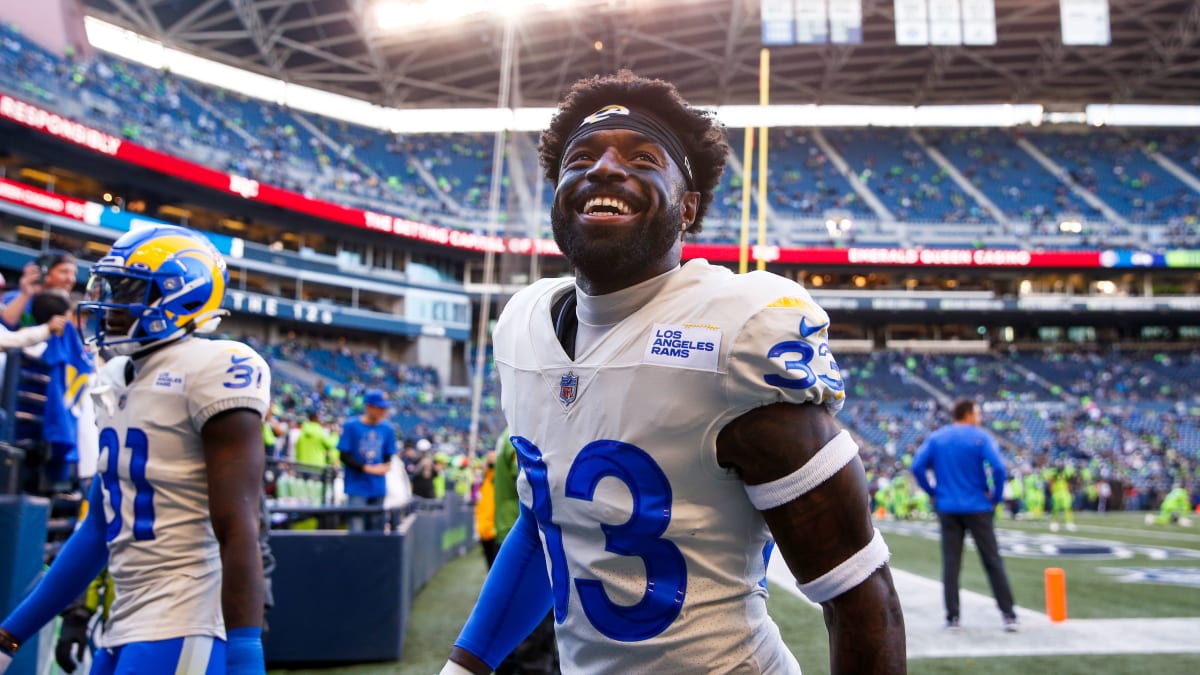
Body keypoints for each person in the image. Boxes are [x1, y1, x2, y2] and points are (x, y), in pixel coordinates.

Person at [443, 72, 905, 675]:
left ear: (688, 207)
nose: (604, 168)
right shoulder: (522, 328)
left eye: (642, 156)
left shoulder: (738, 332)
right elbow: (542, 524)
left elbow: (861, 595)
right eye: (581, 157)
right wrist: (466, 665)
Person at [0, 224, 271, 674]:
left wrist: (246, 653)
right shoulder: (115, 377)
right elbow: (98, 529)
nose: (110, 303)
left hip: (187, 616)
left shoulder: (216, 366)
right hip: (127, 619)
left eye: (129, 290)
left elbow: (240, 524)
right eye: (110, 286)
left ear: (182, 296)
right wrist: (10, 635)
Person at [911, 399, 1019, 633]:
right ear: (968, 414)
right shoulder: (980, 436)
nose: (979, 416)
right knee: (992, 561)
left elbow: (917, 466)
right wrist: (996, 497)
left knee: (951, 564)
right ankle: (1008, 615)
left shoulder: (937, 437)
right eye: (978, 412)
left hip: (948, 507)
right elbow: (999, 468)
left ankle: (953, 618)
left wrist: (933, 492)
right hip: (979, 506)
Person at [338, 389, 397, 532]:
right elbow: (344, 455)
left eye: (385, 408)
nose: (383, 411)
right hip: (357, 486)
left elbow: (388, 456)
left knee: (376, 531)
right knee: (356, 530)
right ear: (368, 407)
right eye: (380, 407)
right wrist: (368, 468)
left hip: (378, 486)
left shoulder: (387, 428)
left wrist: (384, 467)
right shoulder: (351, 425)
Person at [0, 249, 78, 330]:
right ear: (44, 272)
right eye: (64, 272)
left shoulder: (66, 306)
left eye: (74, 274)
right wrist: (26, 294)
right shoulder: (15, 297)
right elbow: (5, 327)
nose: (71, 279)